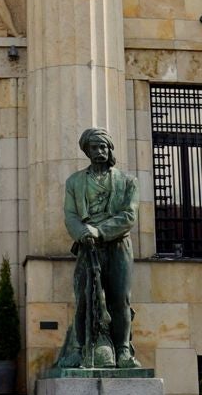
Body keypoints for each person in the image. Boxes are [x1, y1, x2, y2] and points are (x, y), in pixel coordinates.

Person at [53, 126, 139, 370]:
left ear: (110, 148)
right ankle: (79, 349)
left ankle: (123, 350)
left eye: (104, 147)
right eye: (94, 147)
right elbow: (70, 216)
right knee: (83, 299)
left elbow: (129, 216)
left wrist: (100, 231)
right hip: (87, 247)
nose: (100, 151)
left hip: (118, 246)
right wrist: (83, 233)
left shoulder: (127, 181)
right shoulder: (75, 182)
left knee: (120, 299)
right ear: (87, 151)